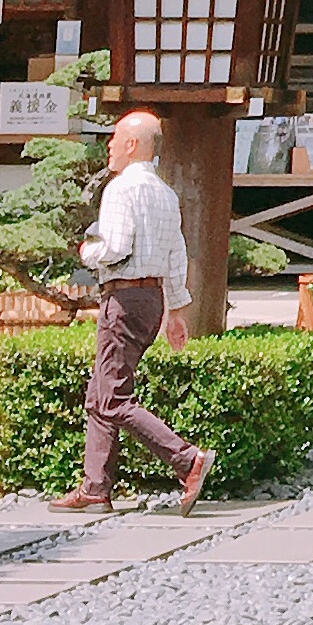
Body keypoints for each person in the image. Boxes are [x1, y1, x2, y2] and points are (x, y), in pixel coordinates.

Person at [71, 111, 214, 511]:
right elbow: (176, 256)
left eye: (115, 138)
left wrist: (87, 251)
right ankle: (96, 486)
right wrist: (177, 311)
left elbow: (114, 247)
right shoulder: (166, 194)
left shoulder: (121, 189)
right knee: (101, 392)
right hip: (151, 300)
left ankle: (187, 460)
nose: (110, 145)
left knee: (113, 397)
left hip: (123, 297)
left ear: (133, 144)